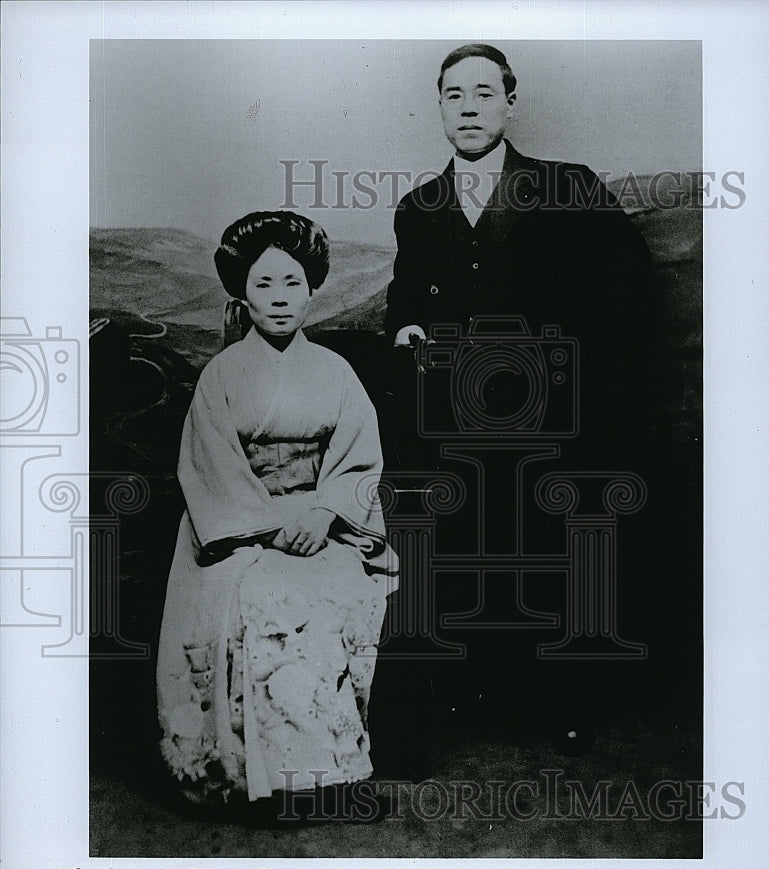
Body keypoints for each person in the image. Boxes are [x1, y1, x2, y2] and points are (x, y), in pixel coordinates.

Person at [156, 211, 397, 821]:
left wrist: (323, 514)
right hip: (236, 527)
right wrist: (267, 526)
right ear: (242, 292)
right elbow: (209, 467)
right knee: (261, 592)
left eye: (292, 282)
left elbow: (359, 460)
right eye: (264, 285)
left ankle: (323, 775)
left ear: (312, 287)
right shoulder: (221, 374)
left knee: (330, 590)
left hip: (320, 520)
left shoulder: (336, 373)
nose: (280, 299)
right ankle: (247, 777)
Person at [385, 43, 654, 466]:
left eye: (484, 94)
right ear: (440, 106)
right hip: (456, 437)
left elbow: (630, 297)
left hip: (562, 432)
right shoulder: (417, 209)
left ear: (510, 104)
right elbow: (405, 304)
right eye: (454, 96)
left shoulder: (570, 187)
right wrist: (407, 328)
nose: (468, 109)